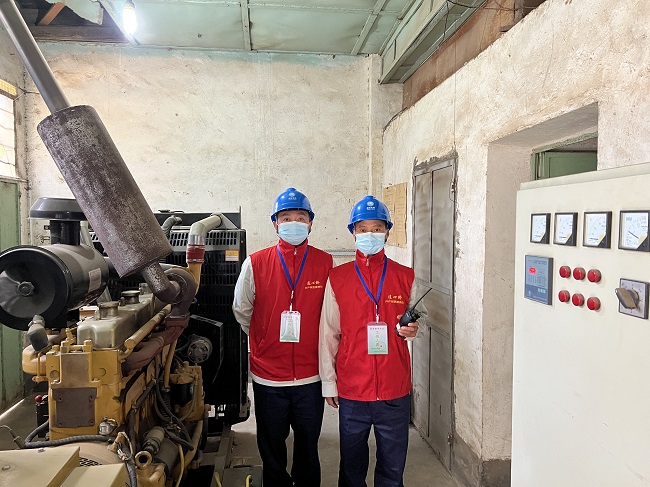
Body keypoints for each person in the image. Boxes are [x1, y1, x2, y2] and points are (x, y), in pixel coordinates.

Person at [319, 195, 425, 487]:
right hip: (353, 389)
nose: (370, 235)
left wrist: (414, 329)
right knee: (351, 466)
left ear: (387, 231)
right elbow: (328, 334)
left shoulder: (405, 276)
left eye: (377, 228)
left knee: (393, 466)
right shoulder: (337, 278)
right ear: (353, 232)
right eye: (363, 229)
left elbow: (420, 318)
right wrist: (329, 382)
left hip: (394, 388)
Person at [233, 187, 334, 487]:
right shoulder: (255, 263)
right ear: (275, 223)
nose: (293, 224)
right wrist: (264, 338)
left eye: (300, 218)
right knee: (271, 445)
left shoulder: (325, 263)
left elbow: (332, 316)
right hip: (269, 377)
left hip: (310, 376)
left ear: (311, 223)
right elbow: (242, 309)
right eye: (286, 218)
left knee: (308, 445)